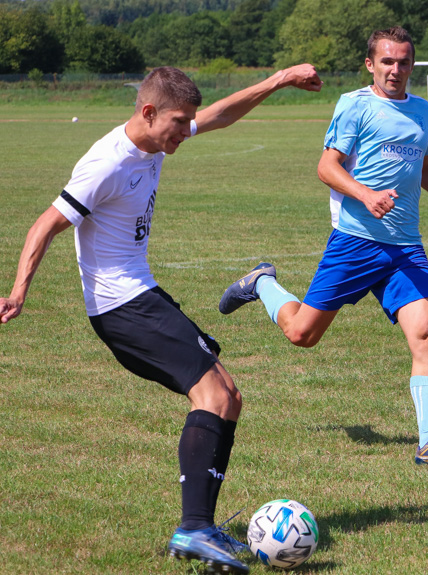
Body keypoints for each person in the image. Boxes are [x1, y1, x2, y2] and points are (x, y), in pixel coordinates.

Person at [0, 64, 322, 574]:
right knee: (214, 395)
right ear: (148, 113)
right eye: (178, 121)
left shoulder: (155, 138)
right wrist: (19, 291)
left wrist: (277, 81)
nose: (185, 130)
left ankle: (202, 529)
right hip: (121, 306)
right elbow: (45, 224)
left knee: (229, 397)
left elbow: (219, 115)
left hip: (143, 295)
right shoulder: (106, 162)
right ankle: (193, 529)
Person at [218, 27, 428, 468]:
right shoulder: (355, 105)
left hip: (405, 245)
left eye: (404, 62)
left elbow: (423, 169)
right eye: (387, 61)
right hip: (355, 241)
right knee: (302, 335)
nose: (396, 69)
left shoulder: (423, 111)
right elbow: (327, 167)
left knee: (426, 330)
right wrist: (367, 196)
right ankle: (263, 283)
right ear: (371, 64)